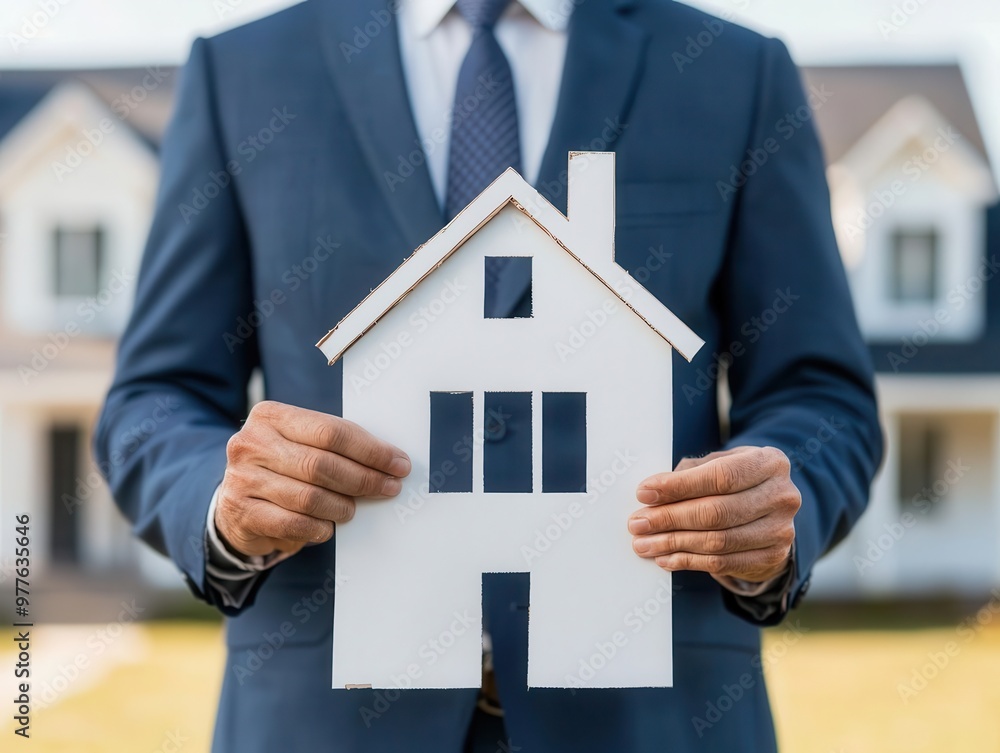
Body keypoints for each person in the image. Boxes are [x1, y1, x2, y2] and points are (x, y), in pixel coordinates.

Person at [95, 0, 883, 750]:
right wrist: (223, 501)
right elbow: (156, 396)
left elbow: (820, 392)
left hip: (656, 717)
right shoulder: (242, 71)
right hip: (325, 720)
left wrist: (772, 503)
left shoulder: (734, 73)